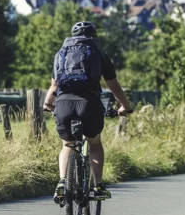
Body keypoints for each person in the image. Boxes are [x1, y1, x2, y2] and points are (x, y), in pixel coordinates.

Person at [42, 21, 133, 202]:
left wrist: (47, 104)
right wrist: (125, 106)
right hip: (89, 104)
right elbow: (114, 86)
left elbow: (54, 85)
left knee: (67, 145)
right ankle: (98, 187)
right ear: (93, 37)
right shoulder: (99, 54)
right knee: (95, 143)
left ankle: (62, 182)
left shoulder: (60, 54)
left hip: (64, 103)